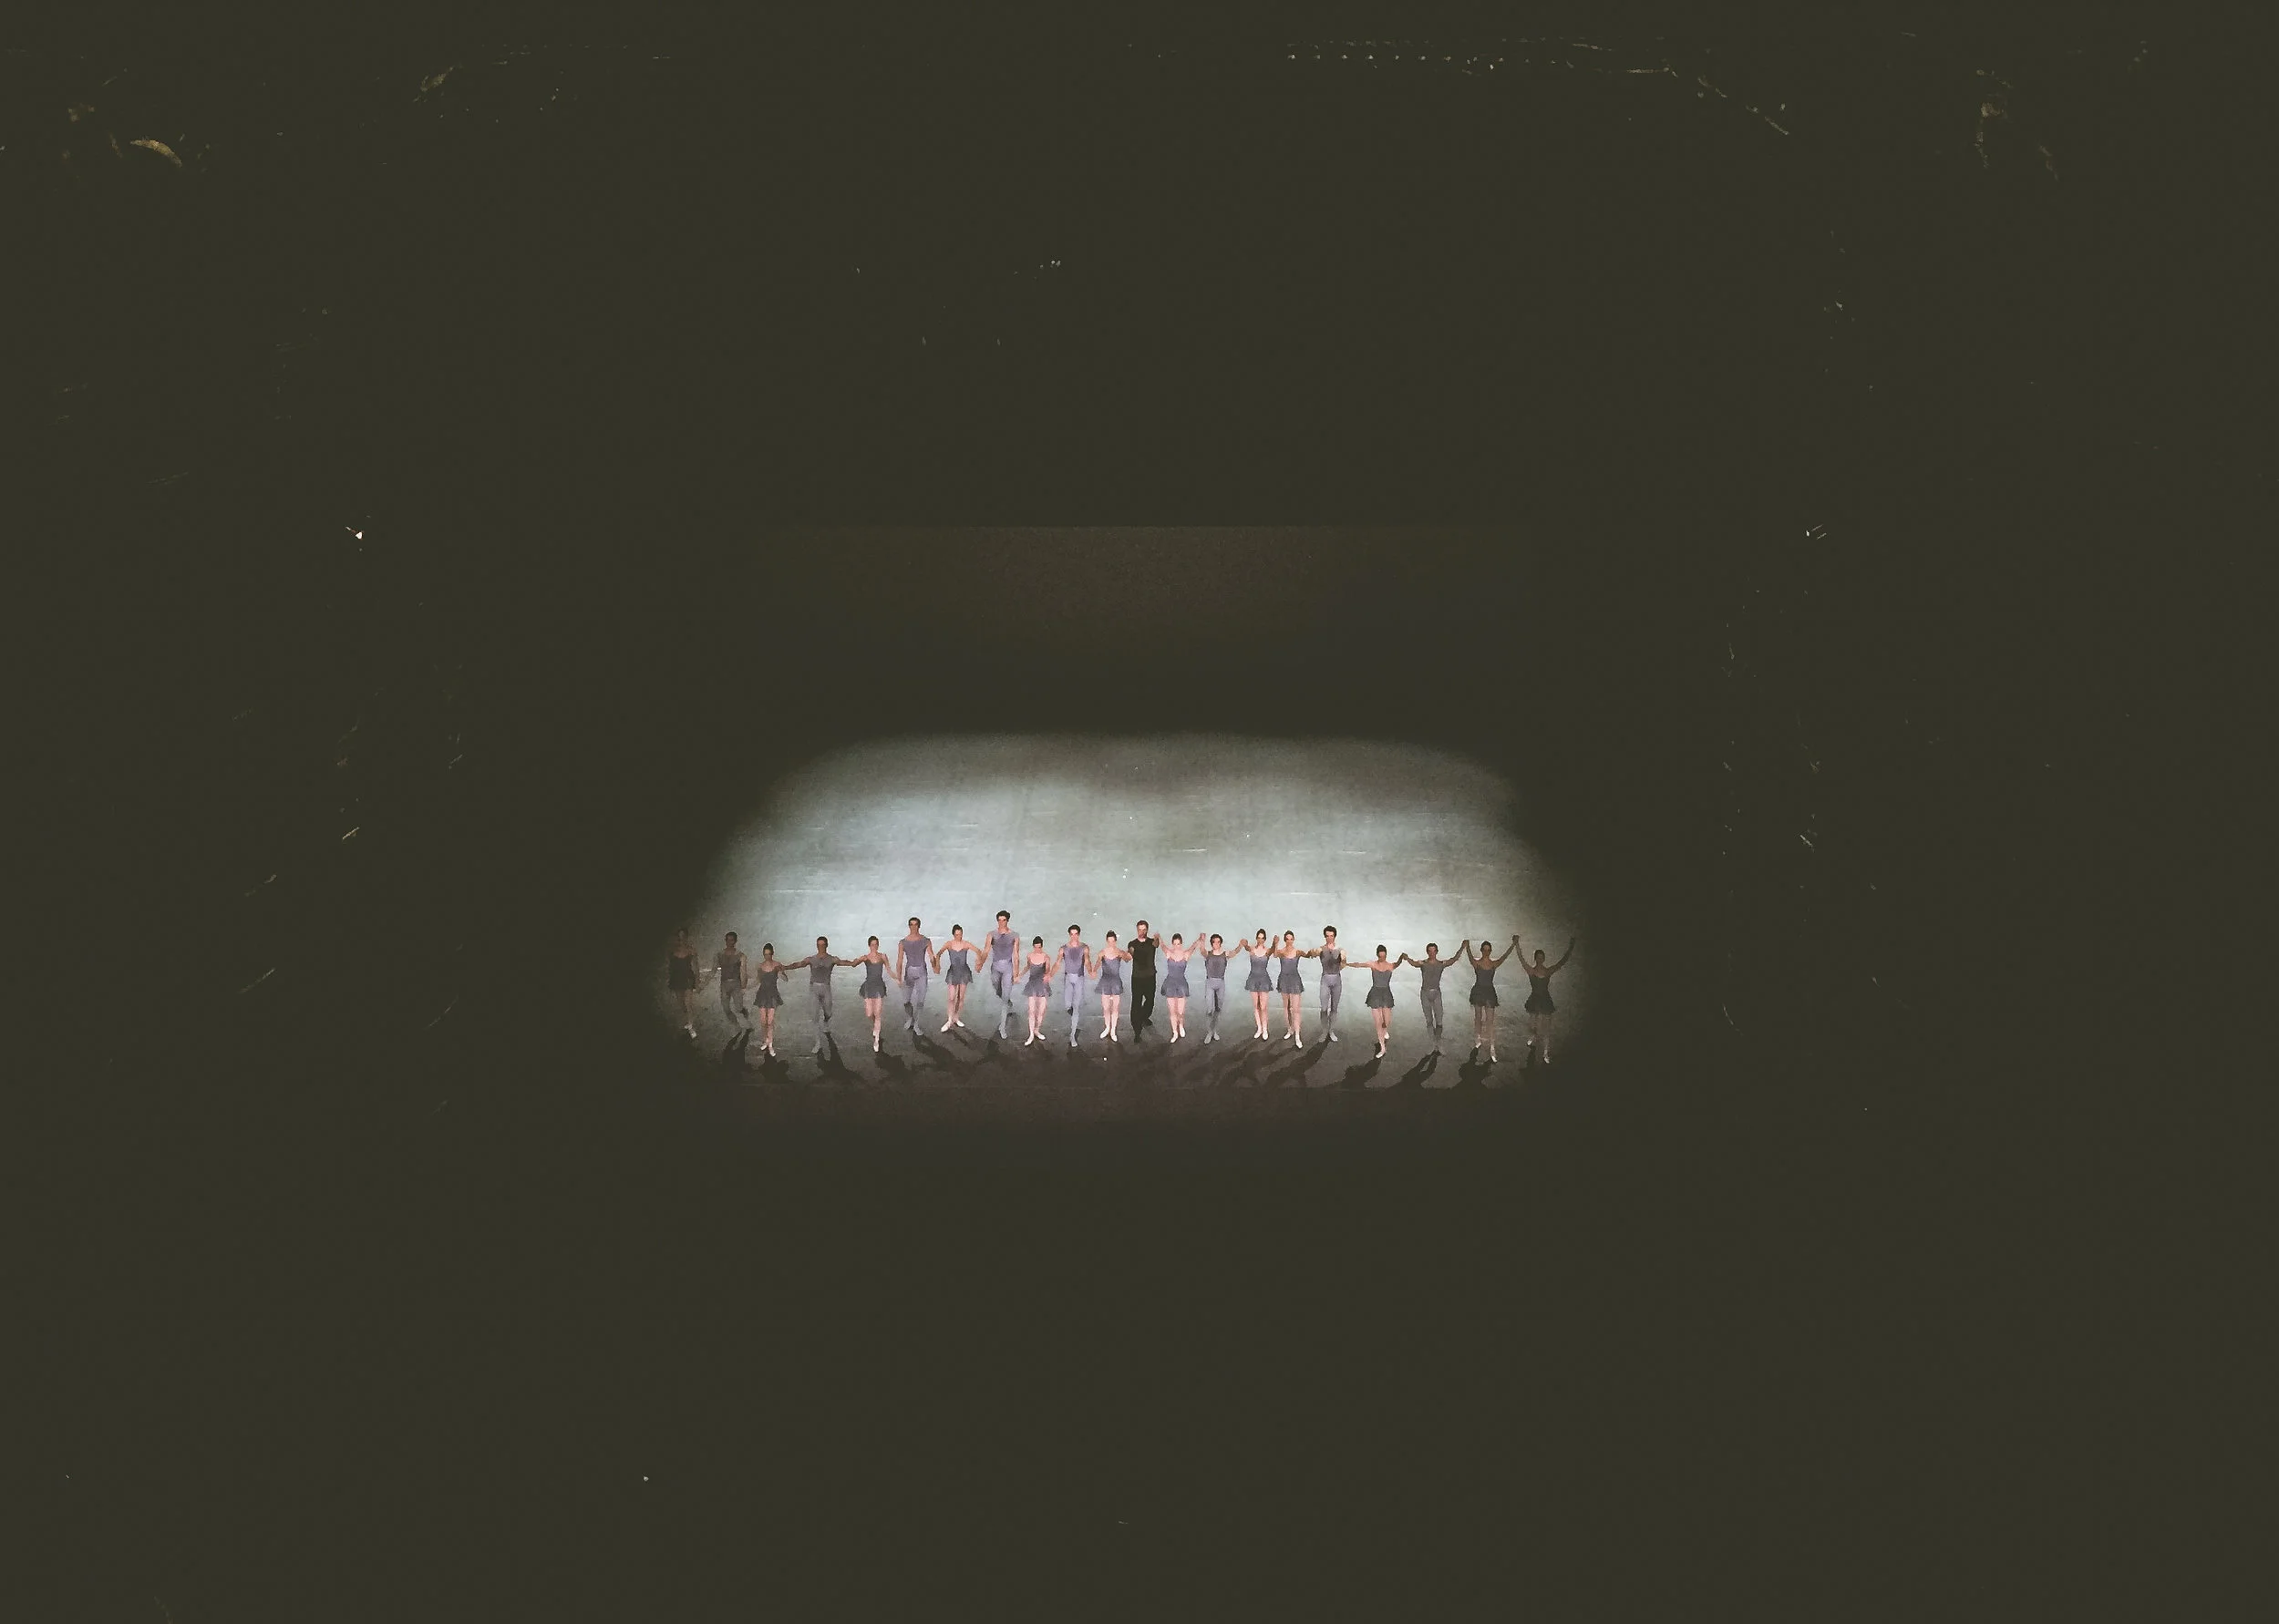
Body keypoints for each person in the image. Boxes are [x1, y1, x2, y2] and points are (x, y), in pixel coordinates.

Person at [1459, 934, 1521, 1062]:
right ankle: (1478, 1037)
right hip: (1478, 991)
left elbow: (1505, 956)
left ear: (1490, 951)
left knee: (1490, 1022)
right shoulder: (1477, 963)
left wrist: (1514, 944)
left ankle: (1492, 1047)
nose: (1486, 952)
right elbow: (1470, 955)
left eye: (1488, 950)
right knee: (1478, 1018)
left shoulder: (1494, 964)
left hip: (1489, 992)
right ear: (1481, 950)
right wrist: (1467, 946)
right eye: (1485, 950)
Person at [1521, 937, 1578, 1064]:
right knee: (1532, 1025)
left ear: (1544, 959)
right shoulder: (1531, 971)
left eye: (1542, 958)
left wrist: (1570, 948)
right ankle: (1533, 1036)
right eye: (1538, 957)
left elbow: (1561, 963)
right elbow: (1522, 959)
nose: (1540, 960)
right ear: (1535, 959)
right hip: (1534, 1000)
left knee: (1546, 1029)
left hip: (1545, 1000)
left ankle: (1546, 1053)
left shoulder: (1547, 971)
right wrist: (1517, 944)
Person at [790, 937, 850, 1055]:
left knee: (828, 1011)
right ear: (817, 946)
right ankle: (817, 1042)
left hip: (826, 988)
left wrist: (854, 963)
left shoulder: (832, 959)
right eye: (819, 945)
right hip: (814, 988)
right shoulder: (812, 959)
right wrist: (785, 967)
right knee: (814, 1015)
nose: (821, 947)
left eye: (823, 945)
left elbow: (843, 962)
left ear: (826, 946)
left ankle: (826, 1022)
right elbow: (799, 964)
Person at [1397, 943, 1453, 1050]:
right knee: (1429, 1020)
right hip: (1425, 994)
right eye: (1430, 951)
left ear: (1437, 952)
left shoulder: (1441, 964)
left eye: (1434, 951)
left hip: (1436, 993)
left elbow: (1453, 960)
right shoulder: (1423, 963)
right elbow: (1414, 963)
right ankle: (1433, 1044)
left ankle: (1438, 1043)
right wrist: (1407, 958)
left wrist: (1463, 948)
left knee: (1439, 1021)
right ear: (1427, 952)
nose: (1432, 953)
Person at [933, 924, 980, 1032]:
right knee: (951, 998)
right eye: (957, 935)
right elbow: (939, 953)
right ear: (953, 935)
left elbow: (978, 951)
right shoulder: (949, 944)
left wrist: (978, 962)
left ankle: (956, 1017)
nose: (959, 936)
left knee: (960, 997)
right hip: (953, 972)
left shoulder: (966, 944)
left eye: (960, 934)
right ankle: (949, 1020)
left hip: (964, 972)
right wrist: (937, 964)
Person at [1357, 943, 1398, 1057]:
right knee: (1378, 1023)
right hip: (1375, 994)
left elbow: (1398, 963)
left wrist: (1402, 957)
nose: (1382, 958)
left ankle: (1385, 1032)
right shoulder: (1373, 964)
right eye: (1380, 957)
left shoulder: (1390, 966)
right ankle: (1382, 1047)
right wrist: (1346, 964)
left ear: (1386, 955)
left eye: (1384, 956)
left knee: (1386, 1022)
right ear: (1377, 955)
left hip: (1386, 994)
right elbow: (1359, 965)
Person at [985, 910, 1021, 1038]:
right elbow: (986, 950)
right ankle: (1008, 1002)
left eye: (1004, 920)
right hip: (995, 967)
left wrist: (1016, 974)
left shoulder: (1014, 935)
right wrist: (980, 962)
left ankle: (1002, 1027)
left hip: (1008, 968)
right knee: (997, 989)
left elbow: (1016, 955)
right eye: (999, 920)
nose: (1001, 923)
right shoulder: (991, 934)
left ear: (1007, 921)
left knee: (1005, 998)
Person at [851, 936, 891, 1053]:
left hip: (878, 986)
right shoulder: (866, 957)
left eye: (876, 944)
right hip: (869, 986)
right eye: (873, 944)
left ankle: (877, 1039)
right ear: (869, 946)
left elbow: (888, 969)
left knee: (878, 1013)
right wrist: (854, 962)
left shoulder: (882, 956)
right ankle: (875, 1025)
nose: (875, 946)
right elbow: (854, 964)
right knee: (869, 1014)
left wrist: (897, 979)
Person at [1159, 932, 1198, 1042]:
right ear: (1172, 944)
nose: (1177, 946)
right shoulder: (1169, 953)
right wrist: (1159, 937)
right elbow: (1162, 946)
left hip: (1181, 984)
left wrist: (1200, 939)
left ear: (1181, 944)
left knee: (1180, 1012)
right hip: (1170, 984)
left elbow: (1193, 947)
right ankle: (1175, 1032)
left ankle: (1180, 1025)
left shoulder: (1186, 954)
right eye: (1175, 944)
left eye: (1178, 944)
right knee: (1172, 1011)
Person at [749, 943, 788, 1057]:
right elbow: (758, 980)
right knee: (763, 1021)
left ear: (772, 954)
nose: (767, 956)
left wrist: (781, 972)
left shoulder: (777, 965)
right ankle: (765, 1040)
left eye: (769, 954)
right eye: (765, 954)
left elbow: (785, 979)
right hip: (762, 994)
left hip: (772, 994)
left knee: (770, 1021)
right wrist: (747, 987)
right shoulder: (760, 966)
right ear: (763, 954)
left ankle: (770, 1044)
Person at [896, 917, 933, 1034]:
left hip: (922, 972)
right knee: (906, 1001)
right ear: (909, 926)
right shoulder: (903, 942)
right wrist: (898, 978)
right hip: (909, 973)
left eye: (915, 924)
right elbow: (899, 960)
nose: (913, 927)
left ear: (919, 926)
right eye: (911, 924)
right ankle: (910, 1018)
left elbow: (931, 955)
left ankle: (917, 1024)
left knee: (920, 1001)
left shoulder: (926, 940)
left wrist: (935, 964)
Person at [1094, 930, 1130, 1042]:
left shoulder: (1119, 952)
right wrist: (1093, 971)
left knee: (1115, 1008)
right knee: (1106, 1008)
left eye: (1113, 941)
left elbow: (1127, 959)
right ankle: (1107, 1028)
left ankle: (1113, 1030)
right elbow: (1098, 963)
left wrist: (1130, 951)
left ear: (1115, 941)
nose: (1111, 943)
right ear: (1107, 941)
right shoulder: (1102, 953)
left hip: (1115, 982)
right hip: (1105, 981)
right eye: (1109, 941)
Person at [1311, 926, 1346, 1042]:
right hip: (1325, 979)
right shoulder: (1321, 949)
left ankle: (1331, 1031)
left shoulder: (1340, 949)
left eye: (1331, 936)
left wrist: (1343, 960)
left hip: (1336, 980)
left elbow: (1343, 964)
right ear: (1325, 937)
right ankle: (1325, 1031)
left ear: (1335, 936)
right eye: (1327, 936)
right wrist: (1313, 952)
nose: (1329, 938)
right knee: (1324, 1008)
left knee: (1334, 1008)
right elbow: (1314, 953)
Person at [1059, 925, 1091, 1047]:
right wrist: (1049, 974)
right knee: (1068, 1005)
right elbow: (1057, 962)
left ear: (1079, 934)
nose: (1074, 936)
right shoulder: (1064, 948)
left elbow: (1087, 961)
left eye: (1076, 934)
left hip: (1079, 978)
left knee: (1076, 1007)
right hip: (1068, 978)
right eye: (1072, 934)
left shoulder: (1084, 947)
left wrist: (1091, 971)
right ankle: (1074, 1017)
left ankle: (1072, 1035)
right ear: (1069, 935)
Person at [1127, 920, 1160, 1035]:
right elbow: (1130, 954)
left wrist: (1157, 938)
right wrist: (1128, 954)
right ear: (1137, 930)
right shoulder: (1132, 944)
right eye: (1140, 929)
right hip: (1137, 977)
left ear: (1147, 930)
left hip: (1150, 976)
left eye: (1144, 929)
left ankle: (1144, 1017)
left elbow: (1156, 944)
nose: (1142, 932)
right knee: (1136, 1002)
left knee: (1150, 1001)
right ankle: (1137, 1029)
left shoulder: (1151, 942)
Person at [1274, 930, 1307, 1044]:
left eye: (1291, 939)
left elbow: (1307, 955)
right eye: (1287, 939)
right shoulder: (1281, 951)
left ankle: (1297, 1035)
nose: (1289, 941)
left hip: (1295, 980)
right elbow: (1275, 955)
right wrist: (1275, 943)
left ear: (1293, 940)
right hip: (1284, 980)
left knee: (1296, 1009)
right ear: (1285, 940)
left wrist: (1312, 953)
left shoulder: (1297, 951)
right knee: (1286, 1007)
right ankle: (1290, 1029)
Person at [1242, 929, 1275, 1040]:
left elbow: (1273, 950)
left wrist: (1274, 943)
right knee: (1256, 1006)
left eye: (1262, 938)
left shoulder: (1267, 951)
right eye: (1259, 938)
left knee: (1263, 1007)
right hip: (1253, 979)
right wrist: (1245, 944)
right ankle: (1259, 1028)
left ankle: (1265, 1029)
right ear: (1256, 938)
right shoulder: (1252, 949)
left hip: (1264, 979)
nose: (1260, 940)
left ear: (1265, 939)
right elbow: (1247, 947)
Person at [667, 928, 700, 1038]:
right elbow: (671, 967)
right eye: (679, 937)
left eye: (683, 937)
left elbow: (696, 967)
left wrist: (697, 982)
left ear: (686, 937)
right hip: (677, 979)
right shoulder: (672, 951)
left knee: (688, 1003)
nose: (681, 939)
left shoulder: (691, 951)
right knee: (682, 1005)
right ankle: (688, 1019)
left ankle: (691, 1025)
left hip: (688, 979)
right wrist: (671, 979)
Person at [1019, 936, 1052, 1045]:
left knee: (1042, 1010)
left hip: (1042, 985)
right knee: (1031, 1010)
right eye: (1036, 947)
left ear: (1042, 946)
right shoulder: (1029, 956)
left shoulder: (1046, 957)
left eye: (1039, 947)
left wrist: (1047, 975)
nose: (1038, 949)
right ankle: (1031, 1035)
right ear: (1033, 946)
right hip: (1032, 984)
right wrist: (1020, 975)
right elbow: (1028, 967)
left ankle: (1037, 1030)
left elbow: (1048, 969)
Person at [1199, 933, 1231, 1043]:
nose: (1216, 944)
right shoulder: (1208, 954)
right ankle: (1209, 1032)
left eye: (1218, 942)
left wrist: (1241, 945)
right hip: (1210, 983)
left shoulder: (1225, 954)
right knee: (1209, 1010)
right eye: (1213, 942)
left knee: (1218, 1009)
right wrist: (1202, 940)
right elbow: (1202, 950)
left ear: (1220, 943)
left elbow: (1234, 952)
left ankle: (1214, 1030)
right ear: (1211, 943)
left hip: (1220, 983)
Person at [717, 931, 751, 1032]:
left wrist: (743, 986)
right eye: (727, 940)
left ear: (735, 941)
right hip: (724, 984)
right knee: (726, 1008)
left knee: (739, 1008)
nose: (729, 942)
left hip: (736, 984)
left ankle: (745, 1018)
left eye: (731, 940)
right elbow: (714, 969)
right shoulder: (720, 955)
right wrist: (703, 983)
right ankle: (737, 1026)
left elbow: (743, 972)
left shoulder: (741, 956)